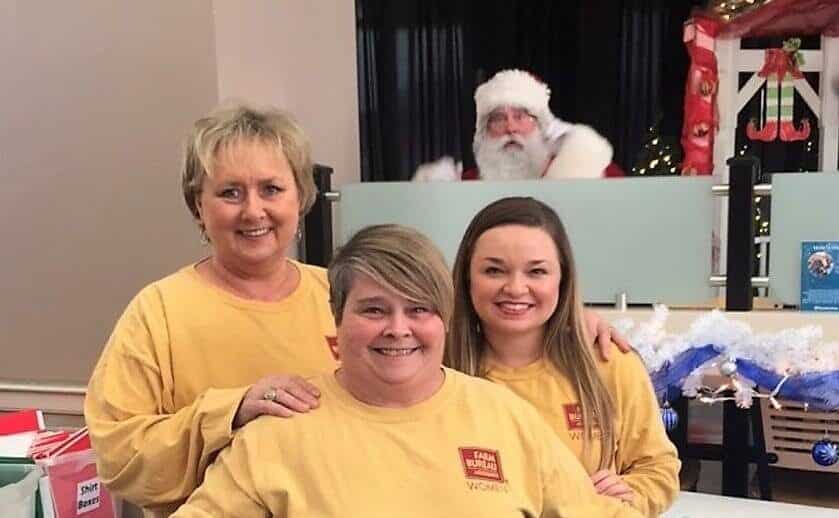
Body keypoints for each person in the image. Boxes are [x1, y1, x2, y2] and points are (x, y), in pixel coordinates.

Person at [171, 224, 643, 517]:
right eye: (374, 310)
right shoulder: (280, 432)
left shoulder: (505, 416)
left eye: (418, 309)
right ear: (337, 317)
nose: (398, 329)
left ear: (444, 318)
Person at [84, 104, 337, 517]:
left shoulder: (341, 297)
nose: (253, 211)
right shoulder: (158, 312)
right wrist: (232, 412)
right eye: (230, 193)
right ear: (198, 207)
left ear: (301, 197)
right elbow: (118, 455)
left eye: (271, 189)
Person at [445, 197, 680, 517]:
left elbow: (658, 468)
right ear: (467, 278)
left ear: (562, 279)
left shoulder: (608, 363)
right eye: (494, 270)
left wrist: (628, 496)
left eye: (537, 271)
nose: (516, 288)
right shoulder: (434, 370)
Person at [413, 69, 623, 182]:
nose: (510, 128)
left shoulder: (582, 173)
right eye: (498, 118)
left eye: (520, 116)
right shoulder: (467, 182)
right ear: (484, 131)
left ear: (541, 125)